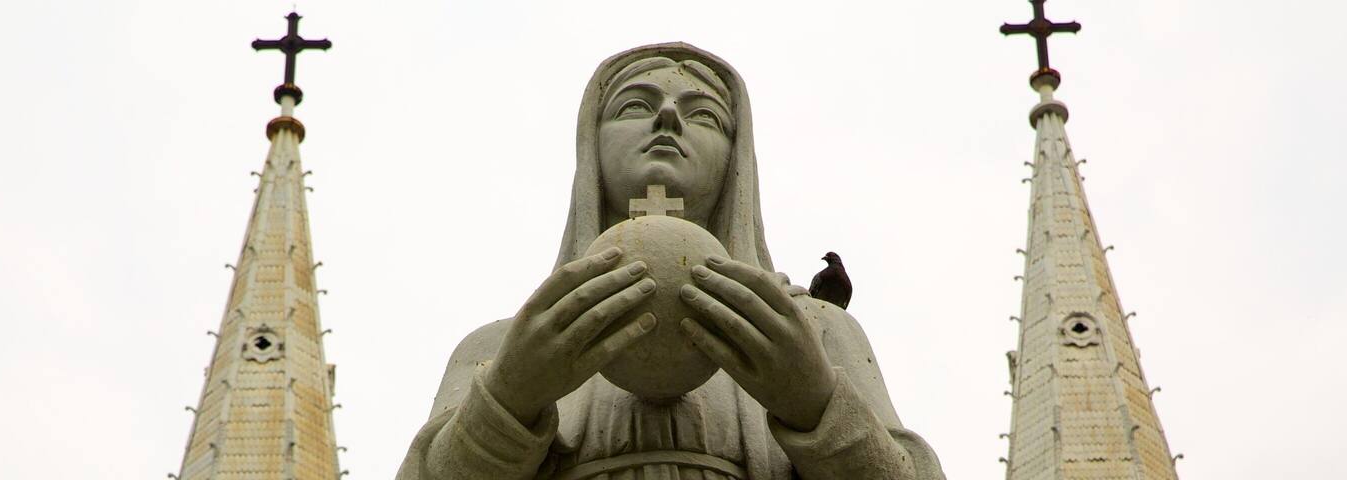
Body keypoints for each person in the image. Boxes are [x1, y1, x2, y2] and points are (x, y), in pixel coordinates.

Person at [397, 43, 945, 480]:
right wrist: (509, 398)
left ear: (735, 158)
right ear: (592, 145)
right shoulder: (505, 347)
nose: (666, 118)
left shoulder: (810, 332)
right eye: (634, 107)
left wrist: (816, 402)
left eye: (703, 115)